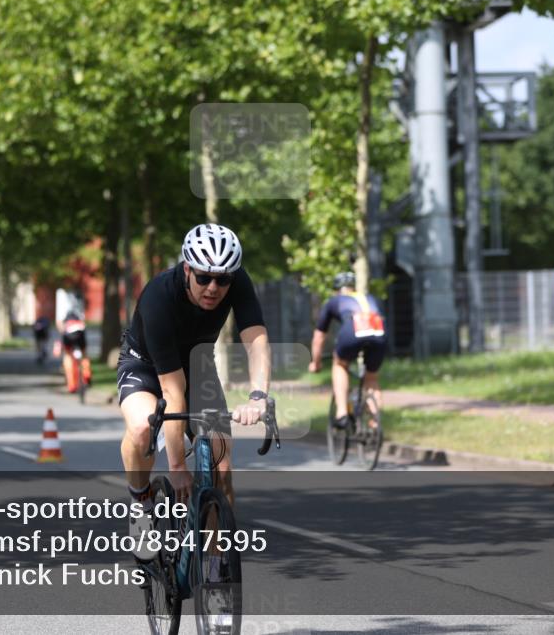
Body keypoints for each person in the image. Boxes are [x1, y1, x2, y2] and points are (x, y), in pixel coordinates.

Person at [117, 223, 270, 558]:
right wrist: (176, 468)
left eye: (223, 280)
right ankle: (140, 502)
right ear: (186, 268)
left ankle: (216, 573)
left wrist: (258, 396)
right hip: (145, 365)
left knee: (222, 469)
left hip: (197, 365)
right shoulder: (159, 297)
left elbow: (256, 340)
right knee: (144, 427)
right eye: (203, 278)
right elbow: (173, 394)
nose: (213, 288)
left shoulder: (237, 281)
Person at [308, 272, 386, 429]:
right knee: (371, 377)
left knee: (340, 365)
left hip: (353, 329)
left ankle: (342, 413)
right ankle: (375, 422)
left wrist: (315, 363)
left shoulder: (334, 301)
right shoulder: (368, 297)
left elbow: (319, 337)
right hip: (378, 331)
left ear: (336, 289)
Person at [59, 310, 89, 391]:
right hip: (80, 338)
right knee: (83, 355)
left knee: (68, 356)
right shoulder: (79, 321)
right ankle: (86, 375)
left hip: (68, 339)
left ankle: (72, 385)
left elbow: (61, 330)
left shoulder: (66, 322)